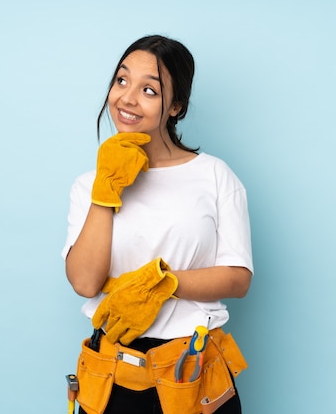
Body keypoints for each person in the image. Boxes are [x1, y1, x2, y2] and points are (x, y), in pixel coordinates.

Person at [62, 35, 253, 414]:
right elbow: (85, 282)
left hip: (191, 371)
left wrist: (160, 285)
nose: (127, 98)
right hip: (110, 374)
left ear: (176, 107)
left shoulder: (214, 175)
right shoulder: (89, 185)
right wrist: (106, 189)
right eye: (121, 81)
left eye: (149, 90)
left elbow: (238, 278)